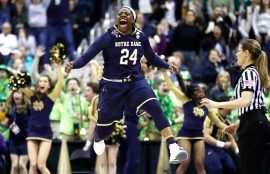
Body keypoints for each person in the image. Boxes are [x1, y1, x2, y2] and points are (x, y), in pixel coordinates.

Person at [65, 6, 188, 164]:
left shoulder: (140, 37)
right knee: (105, 127)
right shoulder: (107, 37)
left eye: (127, 14)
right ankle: (98, 137)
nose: (122, 15)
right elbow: (85, 57)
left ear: (133, 19)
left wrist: (166, 65)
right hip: (112, 87)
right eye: (120, 14)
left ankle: (173, 147)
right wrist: (73, 64)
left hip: (135, 82)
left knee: (155, 106)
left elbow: (151, 57)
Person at [201, 39, 270, 174]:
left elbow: (246, 100)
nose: (236, 54)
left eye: (239, 50)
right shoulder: (253, 72)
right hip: (254, 123)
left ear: (246, 53)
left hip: (255, 125)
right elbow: (254, 105)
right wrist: (240, 123)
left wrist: (216, 103)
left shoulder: (248, 72)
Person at [163, 71, 228, 174]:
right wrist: (165, 73)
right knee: (185, 162)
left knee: (200, 164)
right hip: (185, 135)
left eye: (202, 91)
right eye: (198, 91)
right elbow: (172, 87)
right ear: (193, 94)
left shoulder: (206, 107)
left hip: (198, 136)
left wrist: (231, 128)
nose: (201, 92)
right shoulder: (186, 100)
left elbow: (218, 122)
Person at [27, 60, 63, 174]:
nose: (42, 83)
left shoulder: (51, 96)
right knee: (33, 164)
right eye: (40, 81)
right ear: (38, 83)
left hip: (45, 133)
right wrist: (36, 58)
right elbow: (30, 75)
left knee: (41, 165)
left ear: (48, 85)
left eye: (45, 81)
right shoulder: (31, 95)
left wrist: (59, 66)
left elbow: (60, 81)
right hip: (31, 132)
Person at [203, 95, 238, 174]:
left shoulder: (228, 120)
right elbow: (205, 136)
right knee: (216, 169)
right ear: (223, 105)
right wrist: (222, 144)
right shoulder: (212, 116)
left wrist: (237, 151)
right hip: (208, 148)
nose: (232, 105)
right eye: (229, 103)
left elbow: (231, 139)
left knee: (232, 169)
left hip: (221, 150)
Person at [6, 87, 31, 174]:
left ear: (23, 95)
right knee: (15, 165)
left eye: (19, 92)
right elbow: (6, 124)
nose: (17, 94)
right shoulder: (10, 108)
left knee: (22, 165)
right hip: (13, 140)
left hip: (26, 140)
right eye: (15, 92)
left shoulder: (29, 108)